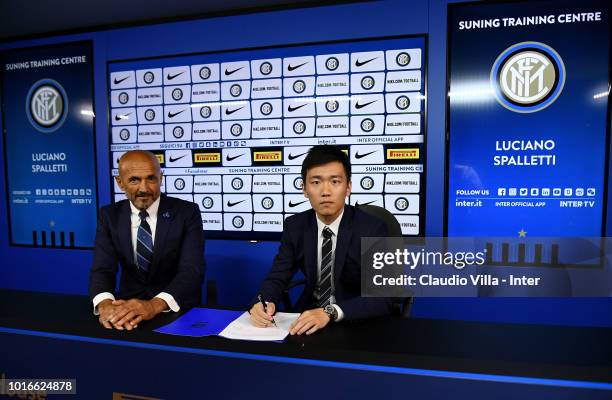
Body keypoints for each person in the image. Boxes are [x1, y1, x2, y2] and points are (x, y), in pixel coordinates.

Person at [250, 145, 392, 335]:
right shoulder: (295, 226)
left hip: (356, 321)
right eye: (316, 182)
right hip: (308, 319)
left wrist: (330, 311)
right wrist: (264, 302)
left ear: (348, 187)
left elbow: (384, 296)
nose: (325, 191)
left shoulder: (373, 228)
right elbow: (278, 275)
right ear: (304, 189)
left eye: (335, 181)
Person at [89, 150, 205, 330]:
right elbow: (102, 269)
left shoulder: (186, 213)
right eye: (134, 180)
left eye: (151, 178)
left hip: (176, 311)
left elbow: (191, 271)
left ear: (161, 179)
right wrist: (106, 306)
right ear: (120, 183)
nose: (143, 188)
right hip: (127, 312)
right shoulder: (109, 215)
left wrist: (153, 305)